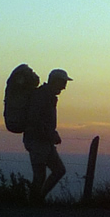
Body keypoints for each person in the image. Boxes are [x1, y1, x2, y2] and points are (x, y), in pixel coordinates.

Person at [24, 68, 71, 203]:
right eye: (63, 83)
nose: (64, 87)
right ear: (56, 81)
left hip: (45, 141)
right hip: (37, 140)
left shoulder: (47, 95)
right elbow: (35, 119)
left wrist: (52, 134)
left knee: (58, 170)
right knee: (40, 175)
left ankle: (38, 200)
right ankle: (33, 203)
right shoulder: (42, 95)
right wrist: (51, 134)